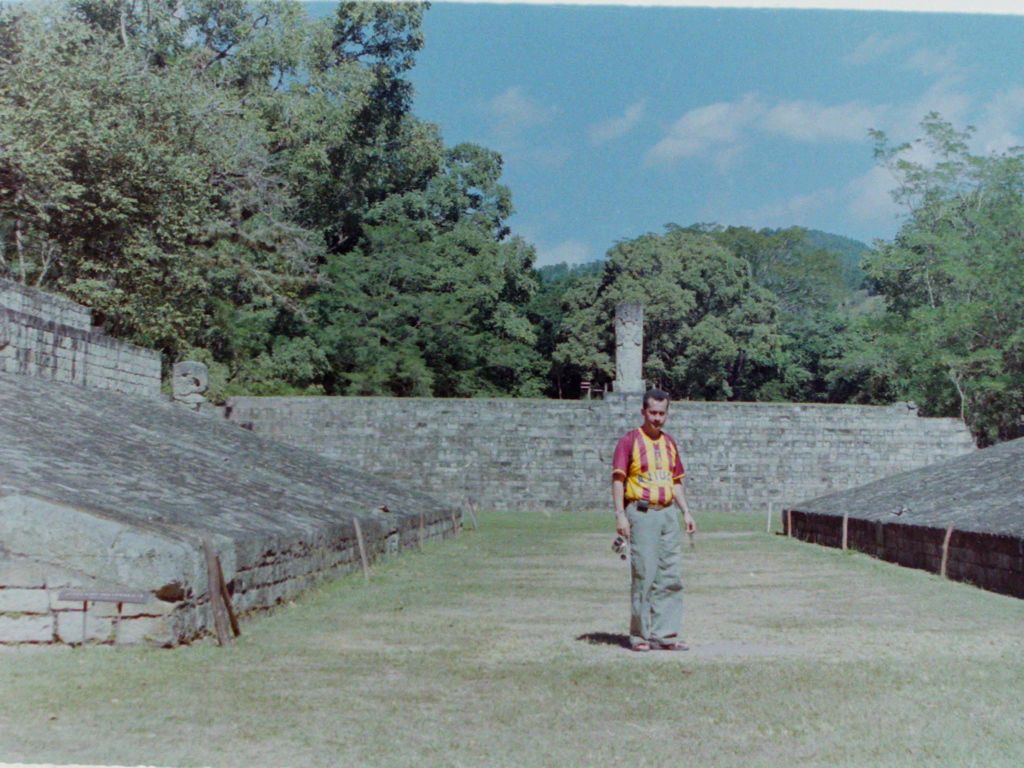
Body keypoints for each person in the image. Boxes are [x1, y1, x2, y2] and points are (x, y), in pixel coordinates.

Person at [611, 388, 697, 652]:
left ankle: (666, 635)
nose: (657, 418)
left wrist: (686, 511)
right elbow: (618, 480)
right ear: (643, 412)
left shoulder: (669, 443)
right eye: (653, 413)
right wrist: (620, 515)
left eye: (662, 413)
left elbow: (676, 482)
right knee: (644, 575)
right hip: (642, 513)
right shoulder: (630, 441)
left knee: (670, 575)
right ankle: (640, 635)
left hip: (668, 514)